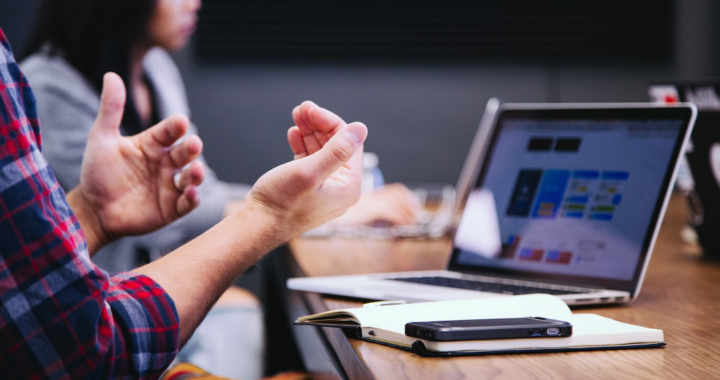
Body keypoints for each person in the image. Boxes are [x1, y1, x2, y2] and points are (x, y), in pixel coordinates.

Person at [0, 27, 368, 379]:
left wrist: (92, 216)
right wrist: (271, 215)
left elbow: (20, 270)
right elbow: (82, 352)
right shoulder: (46, 86)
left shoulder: (157, 68)